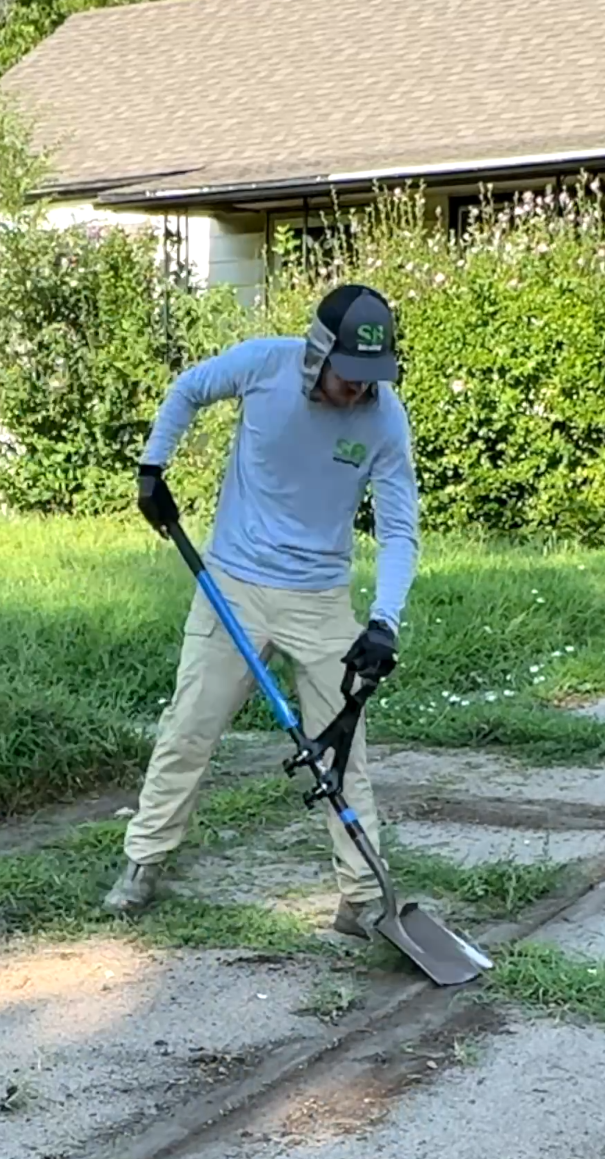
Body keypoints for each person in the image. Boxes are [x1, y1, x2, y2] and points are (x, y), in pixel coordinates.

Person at [102, 283, 419, 938]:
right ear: (317, 352)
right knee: (189, 725)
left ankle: (361, 898)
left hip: (320, 598)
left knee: (343, 751)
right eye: (349, 375)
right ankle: (144, 859)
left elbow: (398, 531)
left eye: (372, 378)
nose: (359, 391)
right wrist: (152, 469)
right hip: (232, 586)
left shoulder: (384, 420)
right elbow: (189, 389)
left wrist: (384, 620)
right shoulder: (263, 364)